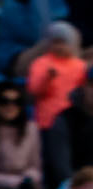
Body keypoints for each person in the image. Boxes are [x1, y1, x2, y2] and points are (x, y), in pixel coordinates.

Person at [25, 23, 88, 177]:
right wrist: (48, 78)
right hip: (47, 123)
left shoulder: (80, 66)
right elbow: (33, 90)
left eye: (63, 42)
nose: (59, 46)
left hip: (74, 124)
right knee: (50, 164)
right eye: (55, 42)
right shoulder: (41, 63)